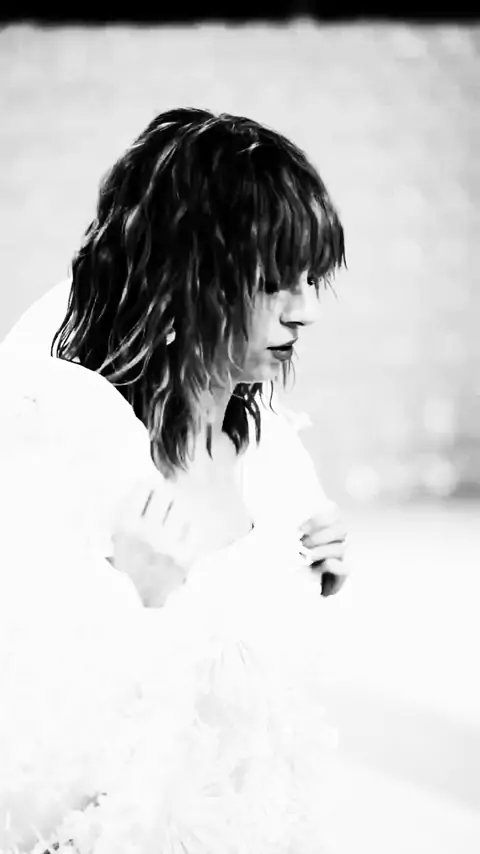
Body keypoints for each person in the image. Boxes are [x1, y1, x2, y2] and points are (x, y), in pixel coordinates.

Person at [0, 107, 349, 853]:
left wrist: (314, 568)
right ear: (185, 279)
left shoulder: (268, 449)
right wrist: (132, 599)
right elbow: (28, 772)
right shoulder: (70, 456)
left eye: (311, 277)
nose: (308, 310)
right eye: (274, 281)